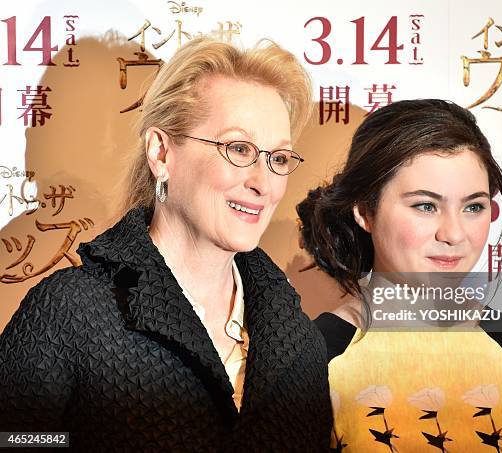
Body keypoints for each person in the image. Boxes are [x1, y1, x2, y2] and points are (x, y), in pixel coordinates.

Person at [0, 37, 332, 452]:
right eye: (239, 149)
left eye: (278, 158)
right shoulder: (71, 311)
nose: (262, 184)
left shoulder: (300, 342)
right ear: (161, 152)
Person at [297, 99, 502, 452]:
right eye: (426, 206)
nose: (454, 234)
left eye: (473, 207)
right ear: (365, 211)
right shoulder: (316, 355)